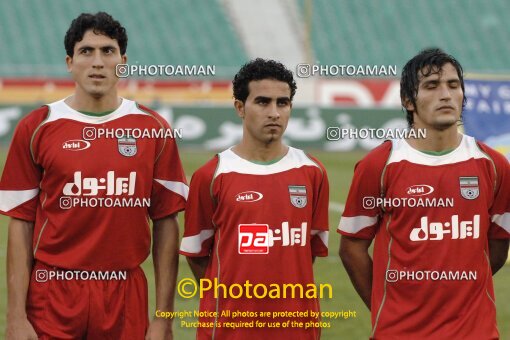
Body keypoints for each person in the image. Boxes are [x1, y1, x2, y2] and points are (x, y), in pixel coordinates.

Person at [1, 12, 187, 339]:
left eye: (107, 51)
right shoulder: (36, 126)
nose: (97, 62)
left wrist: (164, 317)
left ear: (123, 61)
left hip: (125, 292)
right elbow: (21, 223)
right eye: (87, 51)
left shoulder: (154, 128)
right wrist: (16, 317)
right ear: (70, 62)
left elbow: (166, 222)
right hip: (52, 292)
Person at [338, 48, 510, 339]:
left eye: (453, 86)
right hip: (399, 332)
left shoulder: (494, 165)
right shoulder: (379, 165)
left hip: (475, 332)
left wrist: (463, 293)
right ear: (408, 101)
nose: (445, 94)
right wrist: (386, 305)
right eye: (431, 86)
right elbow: (351, 248)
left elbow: (498, 243)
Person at [180, 58, 329, 339]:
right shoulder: (211, 175)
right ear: (240, 107)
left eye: (282, 103)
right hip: (230, 329)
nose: (274, 112)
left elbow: (306, 252)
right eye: (262, 102)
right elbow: (198, 256)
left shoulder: (313, 172)